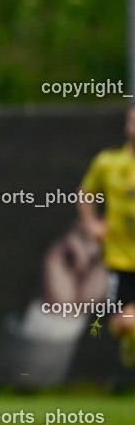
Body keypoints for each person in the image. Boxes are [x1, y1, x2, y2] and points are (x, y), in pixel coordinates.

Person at [77, 107, 135, 363]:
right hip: (120, 259)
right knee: (124, 324)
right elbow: (85, 193)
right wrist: (92, 224)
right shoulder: (108, 162)